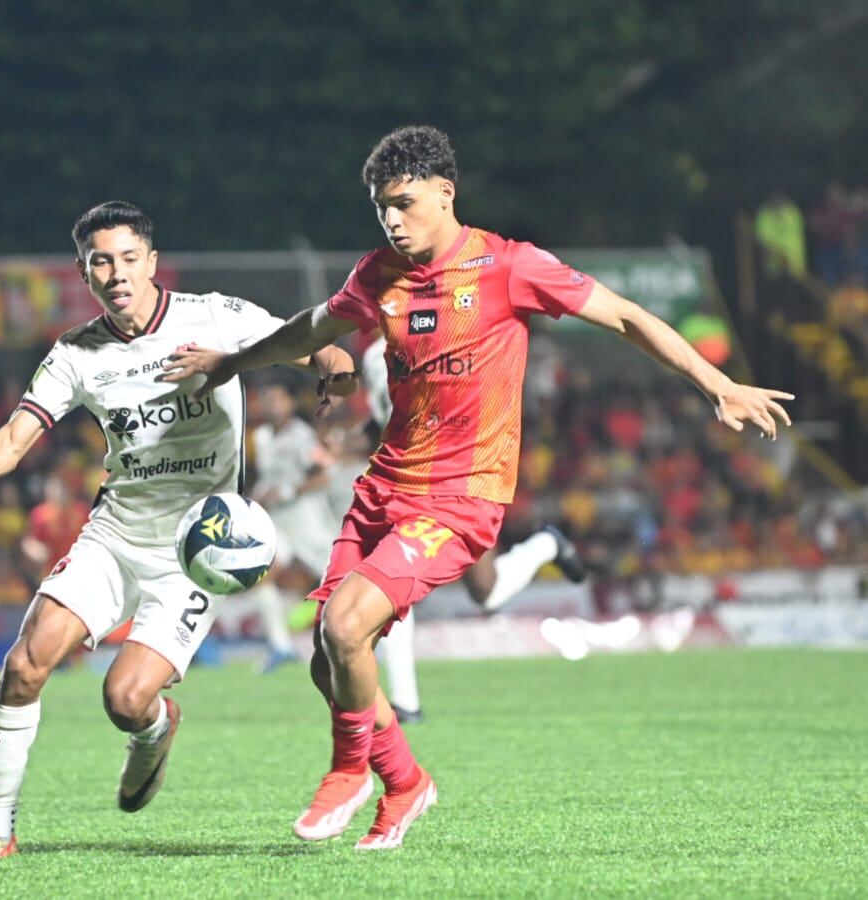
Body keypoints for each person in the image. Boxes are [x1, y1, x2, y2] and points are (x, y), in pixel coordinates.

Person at [163, 125, 794, 850]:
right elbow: (312, 327)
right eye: (380, 209)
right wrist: (234, 361)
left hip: (460, 498)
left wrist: (716, 384)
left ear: (444, 193)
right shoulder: (379, 275)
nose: (392, 220)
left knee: (342, 628)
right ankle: (405, 784)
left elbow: (623, 315)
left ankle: (348, 771)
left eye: (403, 203)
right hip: (382, 489)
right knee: (328, 663)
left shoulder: (508, 266)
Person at [0, 201, 354, 863]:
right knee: (23, 665)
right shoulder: (75, 352)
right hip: (114, 533)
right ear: (84, 272)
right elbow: (9, 444)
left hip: (194, 550)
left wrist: (337, 373)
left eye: (128, 258)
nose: (116, 272)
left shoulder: (216, 316)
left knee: (123, 699)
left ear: (151, 261)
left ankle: (152, 728)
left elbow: (314, 343)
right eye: (101, 261)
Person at [360, 336, 586, 723]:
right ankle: (407, 704)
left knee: (487, 591)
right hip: (406, 484)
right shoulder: (372, 355)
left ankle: (546, 545)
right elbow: (380, 421)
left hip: (458, 480)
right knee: (392, 584)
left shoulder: (449, 342)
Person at [248, 380, 341, 674]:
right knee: (261, 575)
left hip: (308, 522)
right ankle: (280, 646)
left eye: (277, 399)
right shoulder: (261, 436)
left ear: (289, 403)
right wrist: (255, 498)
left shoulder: (303, 436)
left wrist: (288, 491)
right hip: (278, 524)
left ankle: (358, 640)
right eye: (267, 399)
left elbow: (325, 475)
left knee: (337, 585)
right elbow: (267, 476)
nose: (271, 405)